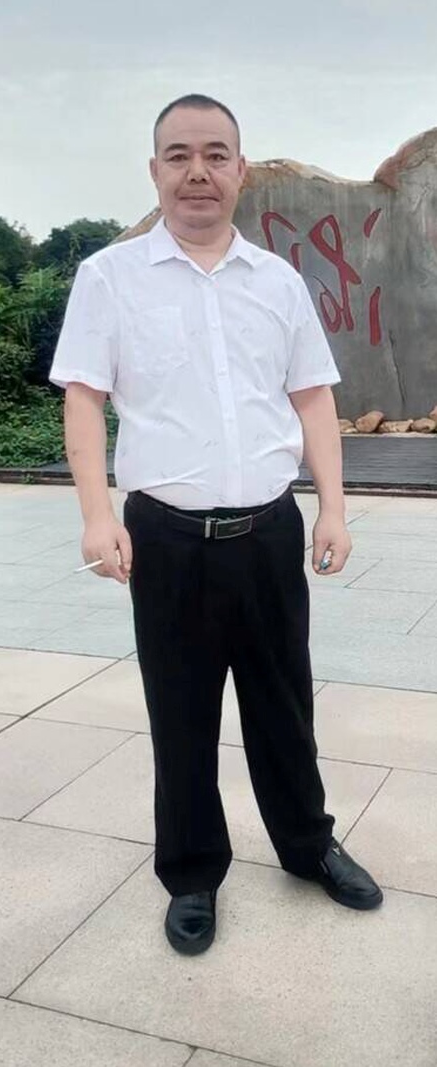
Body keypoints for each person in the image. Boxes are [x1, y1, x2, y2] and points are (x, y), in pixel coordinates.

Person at [49, 93, 383, 955]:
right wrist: (96, 515)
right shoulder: (109, 277)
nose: (197, 171)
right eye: (178, 155)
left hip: (268, 532)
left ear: (240, 169)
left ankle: (309, 845)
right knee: (181, 713)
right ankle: (193, 872)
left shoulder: (277, 282)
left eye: (215, 154)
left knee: (285, 705)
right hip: (165, 538)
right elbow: (83, 398)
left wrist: (333, 508)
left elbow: (313, 397)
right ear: (154, 170)